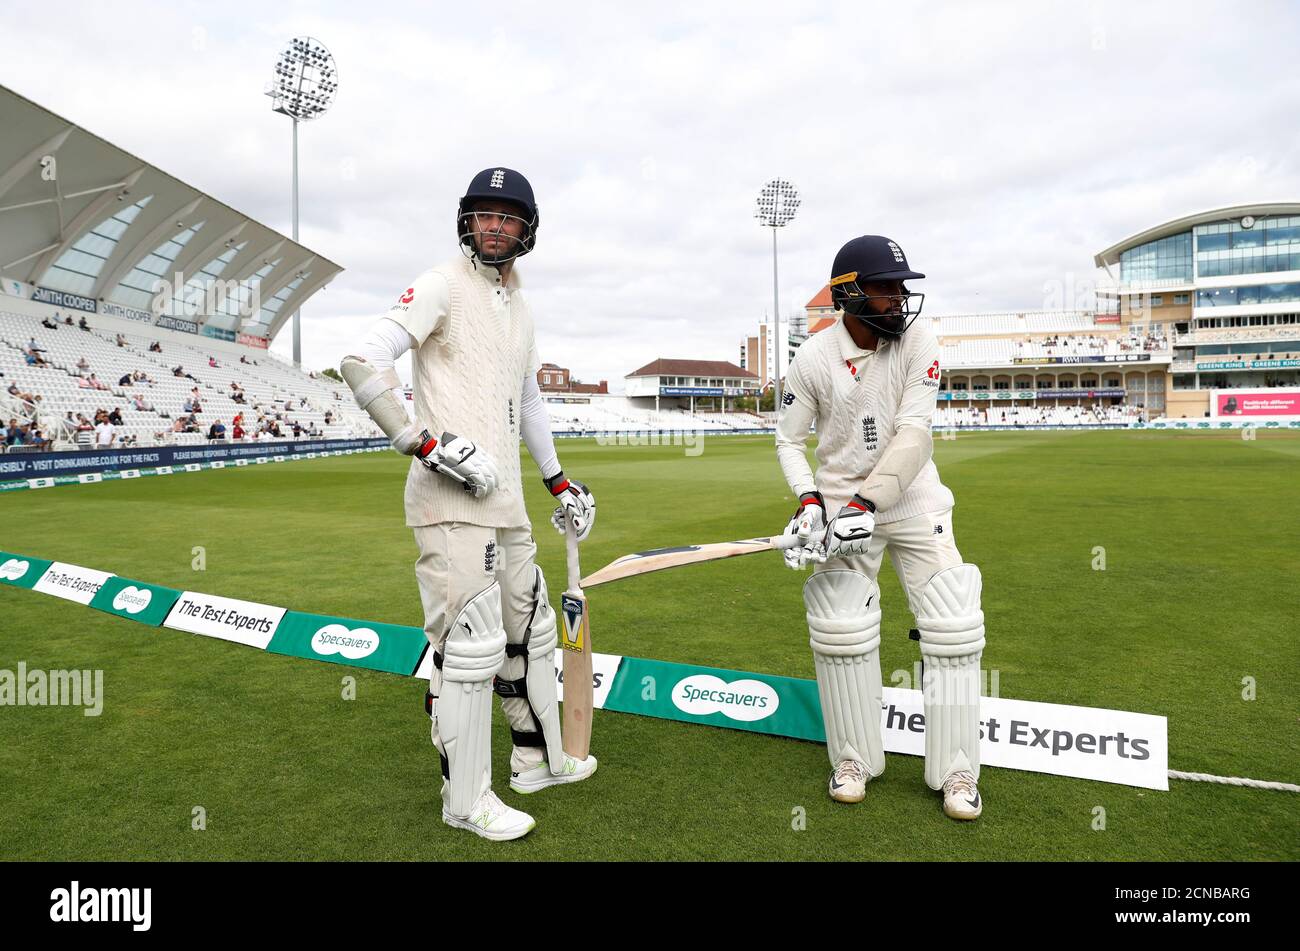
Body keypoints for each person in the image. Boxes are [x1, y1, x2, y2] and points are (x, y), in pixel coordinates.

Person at [339, 167, 597, 841]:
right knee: (469, 648)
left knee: (529, 633)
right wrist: (421, 441)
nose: (495, 226)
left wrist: (559, 480)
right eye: (485, 214)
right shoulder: (439, 284)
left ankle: (536, 759)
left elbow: (531, 400)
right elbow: (362, 358)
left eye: (508, 217)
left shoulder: (521, 304)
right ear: (467, 220)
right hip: (449, 503)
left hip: (508, 503)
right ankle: (464, 798)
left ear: (526, 230)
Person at [776, 234, 986, 822]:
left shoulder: (919, 338)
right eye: (886, 288)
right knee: (840, 626)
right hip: (842, 505)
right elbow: (789, 440)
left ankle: (956, 770)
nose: (899, 299)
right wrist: (810, 504)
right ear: (848, 294)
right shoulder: (813, 358)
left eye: (902, 288)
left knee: (952, 621)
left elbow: (915, 434)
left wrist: (867, 506)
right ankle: (851, 760)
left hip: (912, 497)